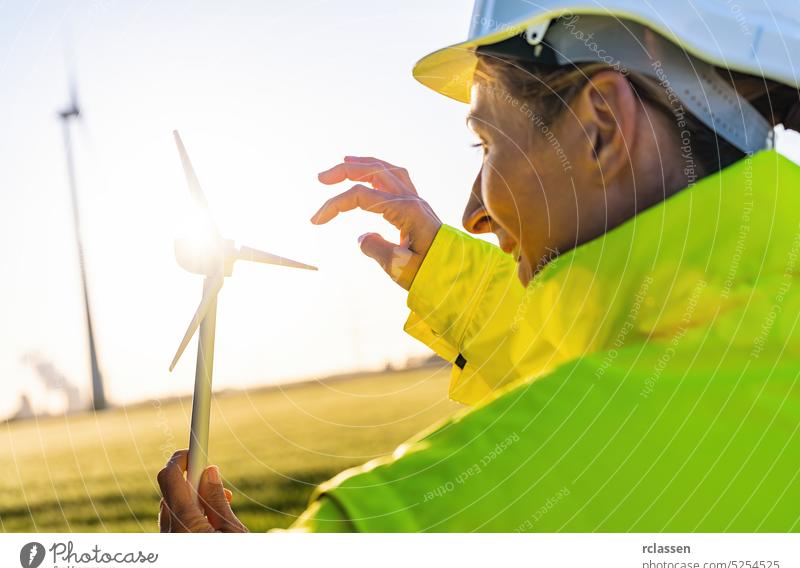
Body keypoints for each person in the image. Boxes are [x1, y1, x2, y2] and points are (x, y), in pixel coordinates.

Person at [157, 0, 800, 532]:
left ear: (602, 125)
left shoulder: (422, 522)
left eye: (486, 141)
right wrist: (444, 273)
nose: (473, 213)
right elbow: (648, 356)